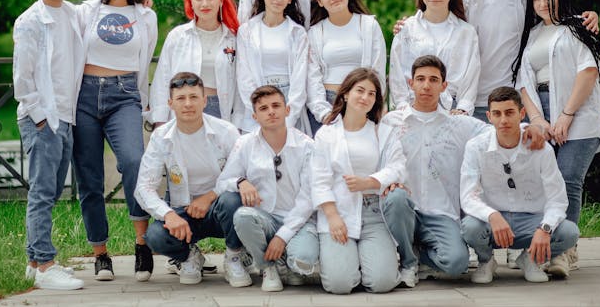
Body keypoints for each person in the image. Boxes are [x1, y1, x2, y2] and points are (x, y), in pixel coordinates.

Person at [513, 0, 600, 276]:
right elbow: (524, 83)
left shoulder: (579, 27)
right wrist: (538, 119)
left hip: (577, 111)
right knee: (543, 182)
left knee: (568, 178)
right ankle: (544, 247)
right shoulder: (532, 34)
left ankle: (564, 252)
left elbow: (589, 71)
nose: (542, 3)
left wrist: (566, 115)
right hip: (540, 111)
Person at [73, 0, 158, 281]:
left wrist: (146, 101)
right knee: (89, 177)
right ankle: (101, 253)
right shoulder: (85, 12)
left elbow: (146, 56)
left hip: (124, 96)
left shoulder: (145, 15)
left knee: (135, 162)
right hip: (85, 95)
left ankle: (141, 245)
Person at [381, 55, 492, 287]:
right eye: (420, 79)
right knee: (397, 198)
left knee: (457, 263)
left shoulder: (458, 125)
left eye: (433, 79)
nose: (426, 85)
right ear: (410, 84)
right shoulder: (392, 122)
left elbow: (497, 133)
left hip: (440, 212)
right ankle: (409, 262)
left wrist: (527, 129)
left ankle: (419, 252)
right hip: (403, 208)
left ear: (444, 86)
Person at [134, 72, 252, 287]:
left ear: (205, 100)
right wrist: (168, 214)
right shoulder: (161, 137)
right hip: (184, 213)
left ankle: (235, 256)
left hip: (220, 209)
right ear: (171, 103)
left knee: (233, 200)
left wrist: (209, 196)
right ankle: (188, 256)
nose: (188, 104)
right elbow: (143, 187)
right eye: (180, 98)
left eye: (194, 97)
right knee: (155, 236)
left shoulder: (225, 131)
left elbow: (242, 174)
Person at [464, 0, 599, 123]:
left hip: (517, 100)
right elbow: (441, 21)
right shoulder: (468, 5)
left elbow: (555, 19)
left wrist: (589, 17)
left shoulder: (527, 2)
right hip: (476, 100)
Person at [13, 0, 84, 290]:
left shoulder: (72, 14)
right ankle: (45, 265)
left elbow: (104, 3)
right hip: (42, 118)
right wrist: (41, 119)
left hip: (66, 117)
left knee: (54, 189)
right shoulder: (29, 21)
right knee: (42, 192)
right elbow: (22, 79)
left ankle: (32, 262)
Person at [460, 87, 579, 284]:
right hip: (494, 223)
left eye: (509, 112)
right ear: (489, 116)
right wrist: (492, 215)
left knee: (569, 232)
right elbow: (468, 196)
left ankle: (531, 259)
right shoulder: (476, 147)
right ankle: (486, 261)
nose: (503, 120)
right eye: (497, 114)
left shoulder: (542, 149)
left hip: (531, 220)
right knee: (470, 227)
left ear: (522, 114)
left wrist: (545, 228)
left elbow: (557, 199)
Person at [218, 86, 318, 292]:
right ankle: (268, 266)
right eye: (263, 108)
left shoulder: (307, 145)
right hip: (265, 220)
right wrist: (240, 182)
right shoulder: (245, 143)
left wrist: (283, 236)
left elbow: (308, 198)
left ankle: (285, 259)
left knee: (303, 262)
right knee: (243, 216)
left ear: (287, 110)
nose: (271, 111)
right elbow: (222, 182)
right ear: (255, 116)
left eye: (276, 106)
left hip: (299, 221)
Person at [312, 68, 404, 294]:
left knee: (382, 283)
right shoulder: (326, 134)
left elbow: (398, 167)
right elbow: (319, 181)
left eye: (372, 94)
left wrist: (370, 182)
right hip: (338, 211)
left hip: (373, 213)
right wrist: (332, 217)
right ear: (344, 94)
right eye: (360, 91)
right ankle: (350, 261)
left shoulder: (383, 131)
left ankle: (373, 260)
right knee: (339, 285)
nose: (365, 98)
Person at [149, 0, 239, 128]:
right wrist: (160, 122)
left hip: (222, 113)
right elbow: (162, 81)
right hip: (184, 111)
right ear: (191, 2)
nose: (205, 4)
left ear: (221, 0)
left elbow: (241, 88)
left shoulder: (234, 39)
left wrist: (239, 125)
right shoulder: (178, 36)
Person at [389, 0, 480, 114]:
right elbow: (396, 73)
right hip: (412, 108)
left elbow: (471, 75)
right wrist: (403, 108)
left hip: (453, 109)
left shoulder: (466, 32)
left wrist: (462, 109)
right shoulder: (407, 29)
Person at [307, 0, 387, 135]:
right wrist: (324, 114)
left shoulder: (369, 25)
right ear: (319, 1)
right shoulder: (314, 32)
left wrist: (370, 105)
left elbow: (377, 70)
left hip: (363, 101)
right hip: (328, 103)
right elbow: (312, 78)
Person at [236, 0, 309, 133]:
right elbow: (244, 77)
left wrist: (288, 119)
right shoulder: (246, 31)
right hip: (257, 104)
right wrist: (260, 110)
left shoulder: (298, 33)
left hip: (288, 104)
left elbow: (300, 79)